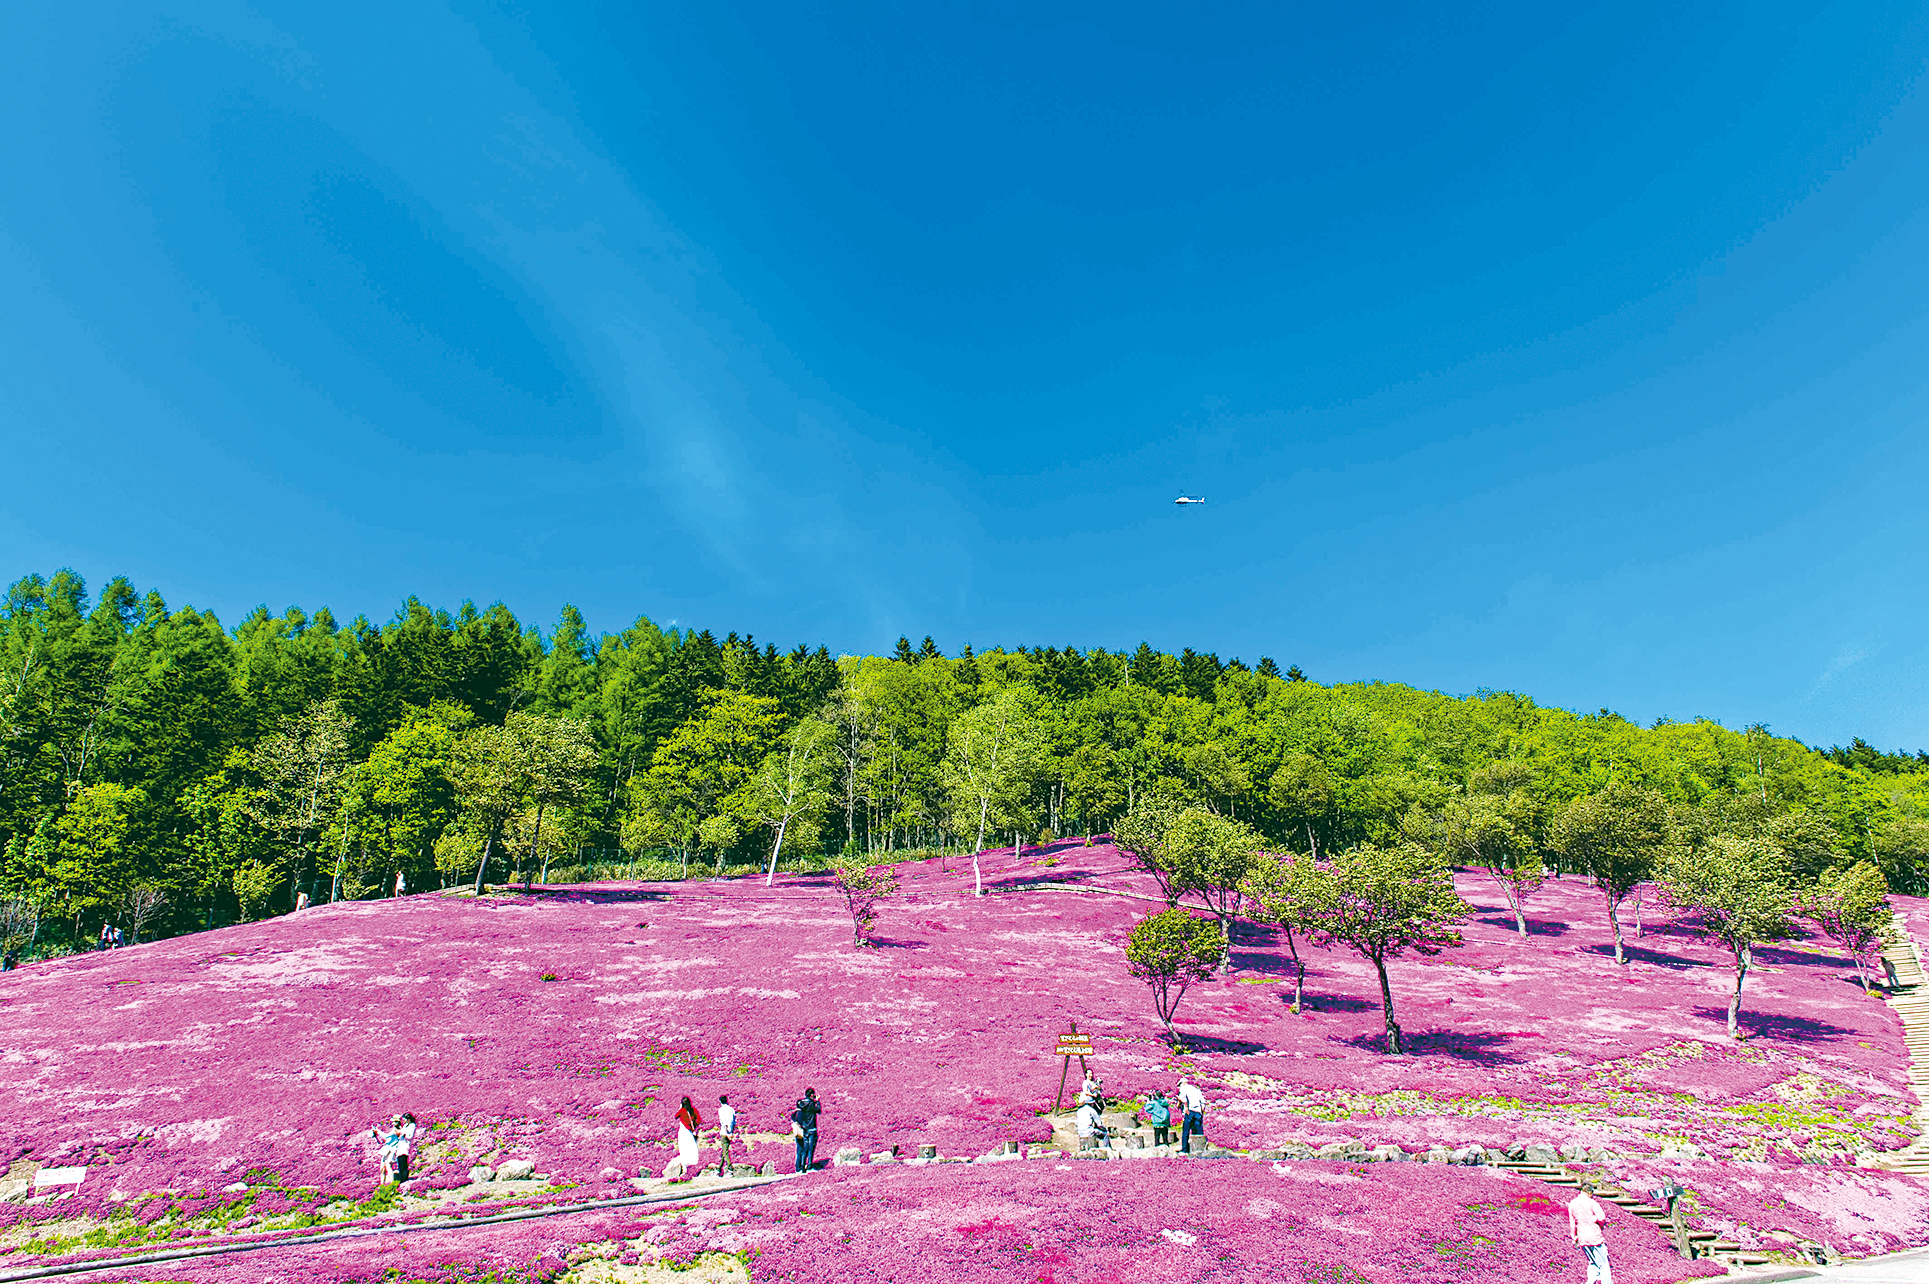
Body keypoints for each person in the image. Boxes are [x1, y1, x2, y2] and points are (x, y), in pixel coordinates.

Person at [1568, 1188, 1612, 1284]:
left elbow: (1572, 1222)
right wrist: (1599, 1223)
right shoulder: (1592, 1203)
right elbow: (1602, 1218)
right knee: (1603, 1264)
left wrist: (1574, 1237)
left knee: (1592, 1262)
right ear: (1589, 1192)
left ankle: (1590, 1282)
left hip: (1583, 1238)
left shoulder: (1572, 1203)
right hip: (1595, 1237)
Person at [790, 1087, 821, 1173]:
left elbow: (794, 1115)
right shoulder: (812, 1104)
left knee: (804, 1149)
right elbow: (818, 1110)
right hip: (812, 1129)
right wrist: (817, 1101)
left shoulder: (801, 1104)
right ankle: (809, 1166)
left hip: (805, 1129)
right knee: (811, 1148)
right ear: (811, 1095)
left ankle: (802, 1167)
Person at [1177, 1077, 1207, 1153]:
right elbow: (1203, 1102)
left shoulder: (1183, 1088)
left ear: (1183, 1083)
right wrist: (1201, 1111)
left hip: (1189, 1111)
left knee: (1186, 1131)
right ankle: (1199, 1149)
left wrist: (1186, 1108)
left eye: (1180, 1085)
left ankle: (1185, 1150)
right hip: (1198, 1112)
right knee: (1198, 1131)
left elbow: (1184, 1100)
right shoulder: (1196, 1090)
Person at [675, 1096, 703, 1176]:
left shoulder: (682, 1110)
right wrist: (695, 1126)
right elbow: (699, 1119)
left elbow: (676, 1116)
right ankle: (691, 1165)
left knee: (683, 1148)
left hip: (684, 1132)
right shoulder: (693, 1110)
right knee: (691, 1147)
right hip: (691, 1131)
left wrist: (680, 1108)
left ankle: (684, 1167)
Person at [393, 1113, 418, 1182]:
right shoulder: (405, 1125)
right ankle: (401, 1178)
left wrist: (403, 1134)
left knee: (403, 1161)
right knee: (400, 1162)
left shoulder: (412, 1125)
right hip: (401, 1144)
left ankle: (404, 1178)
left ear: (408, 1119)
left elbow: (410, 1136)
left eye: (404, 1119)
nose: (403, 1121)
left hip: (405, 1145)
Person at [717, 1094, 737, 1176]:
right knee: (724, 1150)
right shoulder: (731, 1109)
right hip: (730, 1132)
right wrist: (731, 1132)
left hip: (724, 1132)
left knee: (725, 1151)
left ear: (720, 1101)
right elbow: (734, 1121)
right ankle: (719, 1169)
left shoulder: (721, 1110)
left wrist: (727, 1132)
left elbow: (723, 1121)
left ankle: (730, 1169)